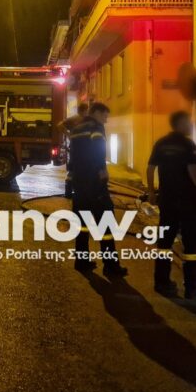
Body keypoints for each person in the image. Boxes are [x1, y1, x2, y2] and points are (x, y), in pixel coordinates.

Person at [147, 111, 196, 299]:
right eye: (188, 122)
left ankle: (161, 282)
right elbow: (193, 171)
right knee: (192, 244)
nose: (190, 125)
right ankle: (191, 287)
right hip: (187, 202)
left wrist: (151, 192)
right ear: (180, 123)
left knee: (164, 243)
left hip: (167, 200)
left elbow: (150, 168)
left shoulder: (161, 143)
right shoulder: (188, 145)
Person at [69, 102, 127, 277]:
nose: (106, 120)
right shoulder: (96, 127)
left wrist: (72, 177)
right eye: (104, 116)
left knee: (82, 225)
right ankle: (110, 266)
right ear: (96, 113)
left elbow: (73, 156)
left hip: (79, 182)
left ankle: (81, 261)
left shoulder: (76, 129)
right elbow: (98, 150)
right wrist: (102, 169)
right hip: (94, 182)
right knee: (106, 224)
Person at [58, 102, 89, 198]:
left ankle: (68, 192)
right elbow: (59, 125)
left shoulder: (74, 119)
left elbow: (59, 125)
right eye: (86, 111)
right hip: (82, 148)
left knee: (72, 169)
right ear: (84, 110)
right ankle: (78, 191)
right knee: (80, 169)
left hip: (75, 148)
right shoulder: (83, 120)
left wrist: (68, 135)